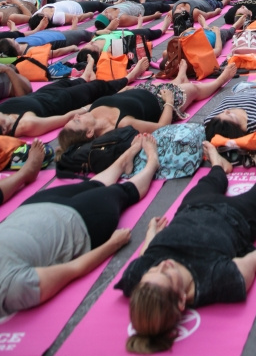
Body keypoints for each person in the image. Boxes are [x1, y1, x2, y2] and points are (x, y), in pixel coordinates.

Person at [117, 141, 256, 354]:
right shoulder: (214, 281)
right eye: (167, 275)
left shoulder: (139, 279)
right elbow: (252, 262)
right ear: (180, 300)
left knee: (213, 180)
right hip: (238, 217)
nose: (163, 265)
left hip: (193, 209)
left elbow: (146, 254)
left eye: (153, 270)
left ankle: (217, 163)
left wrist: (152, 232)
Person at [0, 135, 159, 319]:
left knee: (92, 185)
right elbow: (72, 269)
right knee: (121, 192)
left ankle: (125, 160)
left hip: (32, 209)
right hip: (77, 223)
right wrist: (112, 245)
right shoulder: (11, 290)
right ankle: (152, 164)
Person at [57, 62, 231, 152]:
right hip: (163, 104)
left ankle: (179, 78)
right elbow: (162, 127)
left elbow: (114, 99)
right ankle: (220, 81)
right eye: (77, 122)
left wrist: (124, 91)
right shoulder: (121, 125)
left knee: (170, 85)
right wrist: (169, 102)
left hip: (145, 90)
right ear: (89, 133)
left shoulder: (93, 110)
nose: (76, 117)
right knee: (192, 89)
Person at [0, 71, 148, 138]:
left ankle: (85, 75)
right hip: (60, 101)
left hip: (41, 94)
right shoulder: (27, 124)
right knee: (97, 87)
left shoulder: (4, 112)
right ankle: (128, 77)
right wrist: (93, 106)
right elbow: (66, 118)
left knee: (66, 82)